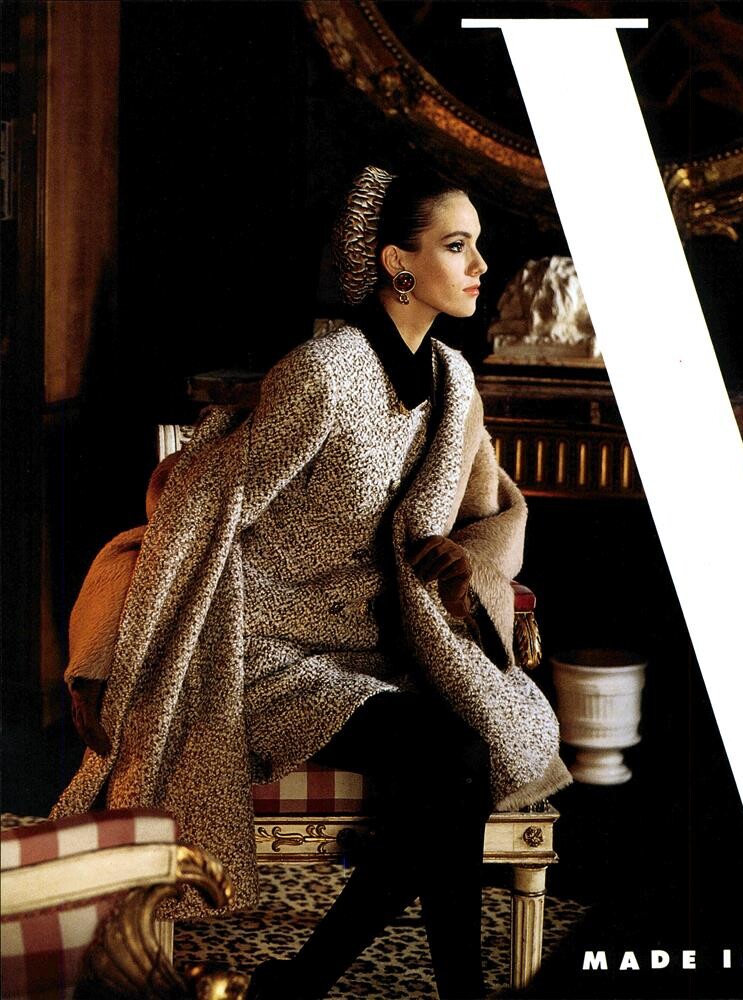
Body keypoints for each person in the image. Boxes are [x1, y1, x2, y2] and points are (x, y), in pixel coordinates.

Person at [52, 165, 571, 999]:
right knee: (449, 757)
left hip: (372, 649)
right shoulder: (322, 373)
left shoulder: (453, 383)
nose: (480, 265)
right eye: (456, 246)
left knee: (459, 760)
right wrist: (104, 650)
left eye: (477, 245)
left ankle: (303, 985)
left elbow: (490, 514)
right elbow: (194, 510)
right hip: (258, 652)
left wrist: (464, 561)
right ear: (397, 264)